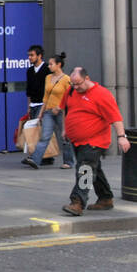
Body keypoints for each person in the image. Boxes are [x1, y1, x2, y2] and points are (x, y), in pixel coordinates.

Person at [60, 67, 130, 216]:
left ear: (87, 78)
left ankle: (78, 202)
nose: (76, 87)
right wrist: (66, 128)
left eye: (78, 83)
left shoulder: (102, 94)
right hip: (76, 140)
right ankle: (105, 198)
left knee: (85, 169)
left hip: (95, 140)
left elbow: (115, 117)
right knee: (94, 169)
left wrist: (121, 137)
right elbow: (66, 109)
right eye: (73, 84)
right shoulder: (71, 91)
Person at [24, 52, 75, 170]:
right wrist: (41, 114)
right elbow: (45, 97)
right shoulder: (48, 78)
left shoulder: (66, 79)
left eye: (51, 64)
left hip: (61, 112)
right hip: (48, 111)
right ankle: (35, 160)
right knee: (45, 136)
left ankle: (68, 161)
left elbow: (70, 97)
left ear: (59, 65)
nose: (49, 66)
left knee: (65, 136)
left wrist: (61, 108)